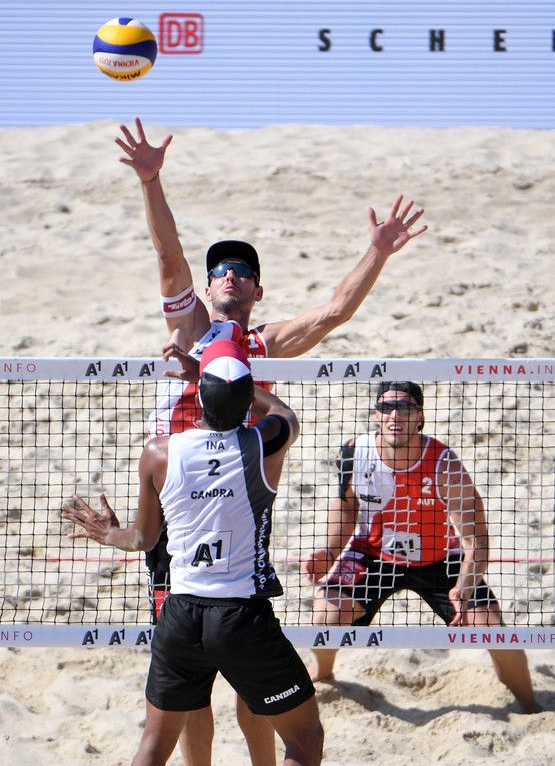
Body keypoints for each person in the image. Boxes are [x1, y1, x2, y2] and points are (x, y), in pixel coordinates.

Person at [114, 116, 428, 765]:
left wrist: (377, 251)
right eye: (220, 271)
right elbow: (168, 256)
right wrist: (151, 181)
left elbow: (334, 311)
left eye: (241, 271)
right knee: (188, 691)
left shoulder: (266, 343)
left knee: (248, 677)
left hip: (236, 505)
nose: (229, 276)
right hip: (177, 505)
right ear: (208, 287)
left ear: (257, 290)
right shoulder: (190, 326)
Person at [62, 340, 324, 766]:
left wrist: (109, 533)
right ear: (246, 401)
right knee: (306, 740)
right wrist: (228, 382)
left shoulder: (159, 453)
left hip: (180, 615)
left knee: (153, 745)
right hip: (241, 617)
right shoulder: (262, 444)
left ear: (200, 397)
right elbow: (285, 415)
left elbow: (143, 540)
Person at [302, 381, 542, 714]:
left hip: (439, 558)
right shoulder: (354, 453)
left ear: (420, 417)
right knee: (326, 617)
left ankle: (530, 705)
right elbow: (346, 507)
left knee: (494, 632)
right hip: (374, 555)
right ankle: (324, 670)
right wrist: (329, 552)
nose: (395, 415)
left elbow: (477, 541)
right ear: (376, 415)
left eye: (405, 408)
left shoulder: (445, 464)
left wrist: (464, 586)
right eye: (387, 407)